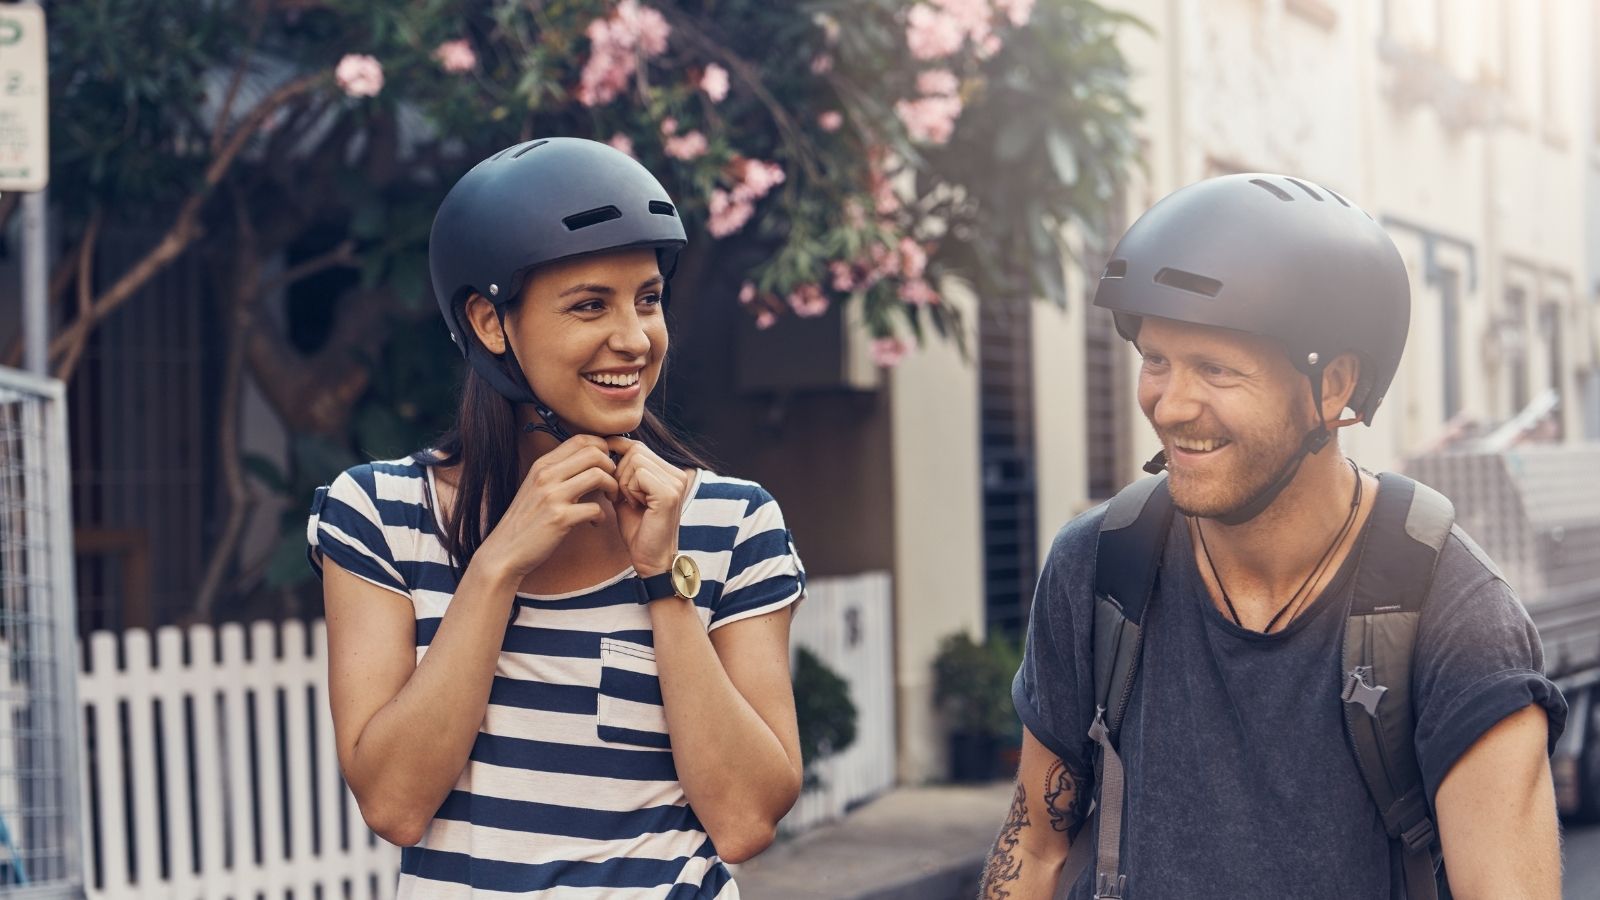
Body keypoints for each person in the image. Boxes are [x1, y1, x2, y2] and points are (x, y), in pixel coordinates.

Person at [982, 173, 1567, 898]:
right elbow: (1033, 851)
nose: (1170, 403)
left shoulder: (1453, 615)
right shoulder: (1102, 566)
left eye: (1216, 369)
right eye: (1156, 360)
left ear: (1335, 387)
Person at [305, 137, 806, 898]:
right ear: (489, 322)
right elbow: (395, 804)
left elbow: (744, 821)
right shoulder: (380, 515)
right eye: (589, 305)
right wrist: (498, 565)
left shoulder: (733, 524)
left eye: (647, 298)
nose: (635, 339)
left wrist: (663, 579)